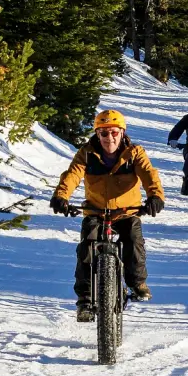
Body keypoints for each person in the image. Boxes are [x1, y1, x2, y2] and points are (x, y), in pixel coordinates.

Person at [50, 110, 163, 321]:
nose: (109, 138)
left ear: (122, 132)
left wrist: (155, 196)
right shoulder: (87, 153)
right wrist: (61, 196)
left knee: (133, 241)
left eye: (113, 132)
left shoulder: (134, 153)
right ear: (97, 134)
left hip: (126, 212)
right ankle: (84, 299)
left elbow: (149, 175)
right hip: (95, 211)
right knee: (87, 247)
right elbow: (72, 174)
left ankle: (137, 283)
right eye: (103, 134)